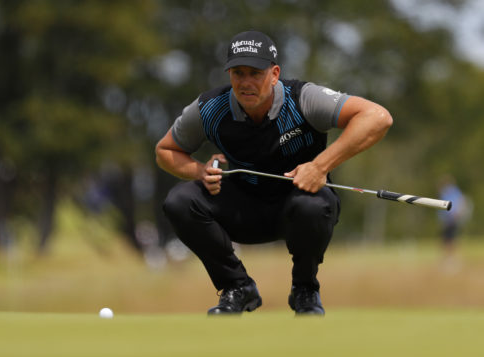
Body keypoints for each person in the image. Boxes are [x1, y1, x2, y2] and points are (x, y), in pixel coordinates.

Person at [155, 30, 392, 316]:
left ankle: (305, 291)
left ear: (275, 73)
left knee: (312, 205)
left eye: (255, 73)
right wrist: (199, 171)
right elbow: (165, 151)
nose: (245, 83)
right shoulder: (210, 108)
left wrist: (320, 167)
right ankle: (237, 287)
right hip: (244, 212)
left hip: (300, 209)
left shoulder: (303, 99)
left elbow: (378, 118)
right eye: (237, 73)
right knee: (179, 201)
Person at [437, 176, 469, 262]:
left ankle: (452, 259)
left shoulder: (454, 192)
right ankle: (448, 258)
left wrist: (458, 214)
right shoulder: (444, 192)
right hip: (446, 220)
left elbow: (461, 202)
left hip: (452, 220)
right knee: (445, 239)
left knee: (451, 239)